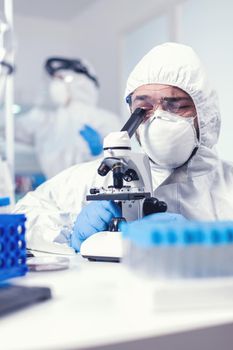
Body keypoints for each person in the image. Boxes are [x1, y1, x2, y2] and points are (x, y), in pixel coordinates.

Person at [15, 42, 233, 255]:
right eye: (143, 107)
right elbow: (21, 216)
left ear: (204, 113)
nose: (157, 118)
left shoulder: (227, 188)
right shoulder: (93, 177)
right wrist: (67, 231)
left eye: (175, 105)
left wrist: (204, 244)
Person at [14, 57, 120, 178]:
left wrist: (97, 154)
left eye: (61, 79)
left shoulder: (106, 120)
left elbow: (119, 163)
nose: (56, 85)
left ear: (81, 82)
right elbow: (9, 129)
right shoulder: (46, 121)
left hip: (91, 190)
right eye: (54, 80)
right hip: (55, 190)